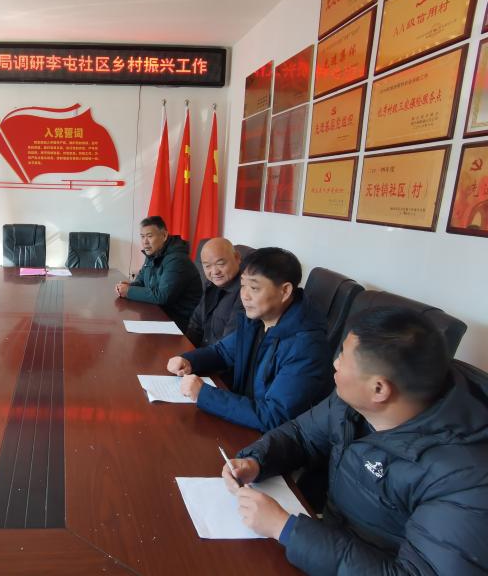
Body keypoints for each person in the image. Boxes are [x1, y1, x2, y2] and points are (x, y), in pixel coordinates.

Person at [223, 307, 488, 574]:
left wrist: (285, 528)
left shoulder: (464, 479)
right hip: (326, 540)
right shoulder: (353, 401)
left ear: (379, 389)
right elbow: (301, 434)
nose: (335, 363)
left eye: (343, 357)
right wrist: (256, 460)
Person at [167, 247, 332, 432]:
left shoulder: (307, 346)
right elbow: (222, 352)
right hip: (245, 420)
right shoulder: (258, 320)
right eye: (243, 285)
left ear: (285, 291)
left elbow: (275, 416)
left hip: (272, 438)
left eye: (254, 288)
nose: (244, 296)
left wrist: (205, 395)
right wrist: (189, 361)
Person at [115, 216, 202, 331]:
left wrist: (129, 291)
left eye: (149, 236)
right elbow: (141, 281)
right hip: (159, 314)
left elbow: (162, 296)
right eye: (142, 237)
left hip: (180, 323)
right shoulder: (153, 253)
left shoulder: (177, 260)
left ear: (164, 235)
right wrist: (128, 286)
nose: (145, 242)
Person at [185, 237, 244, 348]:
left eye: (220, 264)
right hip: (199, 352)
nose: (215, 272)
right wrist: (183, 349)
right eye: (207, 266)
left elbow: (227, 347)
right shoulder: (211, 285)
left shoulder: (245, 294)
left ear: (237, 257)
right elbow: (195, 325)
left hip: (216, 356)